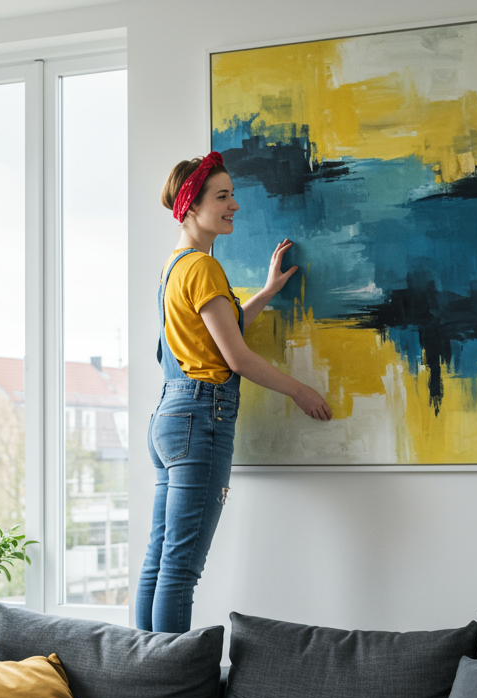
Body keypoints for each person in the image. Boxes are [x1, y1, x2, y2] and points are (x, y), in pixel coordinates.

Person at [135, 152, 332, 633]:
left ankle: (139, 677)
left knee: (159, 562)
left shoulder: (174, 268)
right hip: (201, 420)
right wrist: (299, 391)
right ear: (191, 206)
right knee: (180, 571)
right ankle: (168, 690)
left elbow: (216, 334)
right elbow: (237, 358)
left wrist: (265, 293)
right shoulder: (202, 268)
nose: (234, 206)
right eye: (222, 197)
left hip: (168, 418)